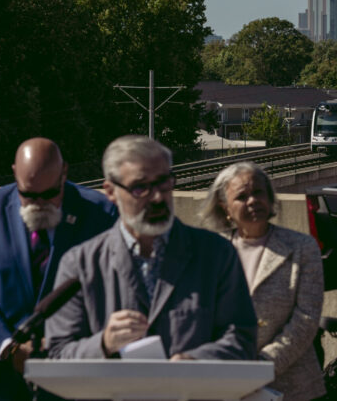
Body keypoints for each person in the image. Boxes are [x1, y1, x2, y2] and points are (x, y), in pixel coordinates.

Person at [46, 135, 257, 360]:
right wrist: (104, 344)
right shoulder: (80, 264)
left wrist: (197, 361)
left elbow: (242, 341)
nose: (157, 197)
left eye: (163, 182)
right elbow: (58, 353)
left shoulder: (216, 254)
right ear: (110, 192)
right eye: (140, 187)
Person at [0, 137, 118, 370]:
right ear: (14, 174)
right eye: (28, 195)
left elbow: (111, 290)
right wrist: (8, 347)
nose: (39, 203)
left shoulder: (101, 214)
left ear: (64, 173)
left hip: (67, 361)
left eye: (50, 193)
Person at [199, 162, 326, 401]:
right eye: (241, 196)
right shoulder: (211, 251)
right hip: (227, 384)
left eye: (258, 192)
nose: (252, 201)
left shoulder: (302, 247)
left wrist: (261, 366)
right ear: (225, 207)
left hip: (294, 388)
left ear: (270, 197)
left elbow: (306, 319)